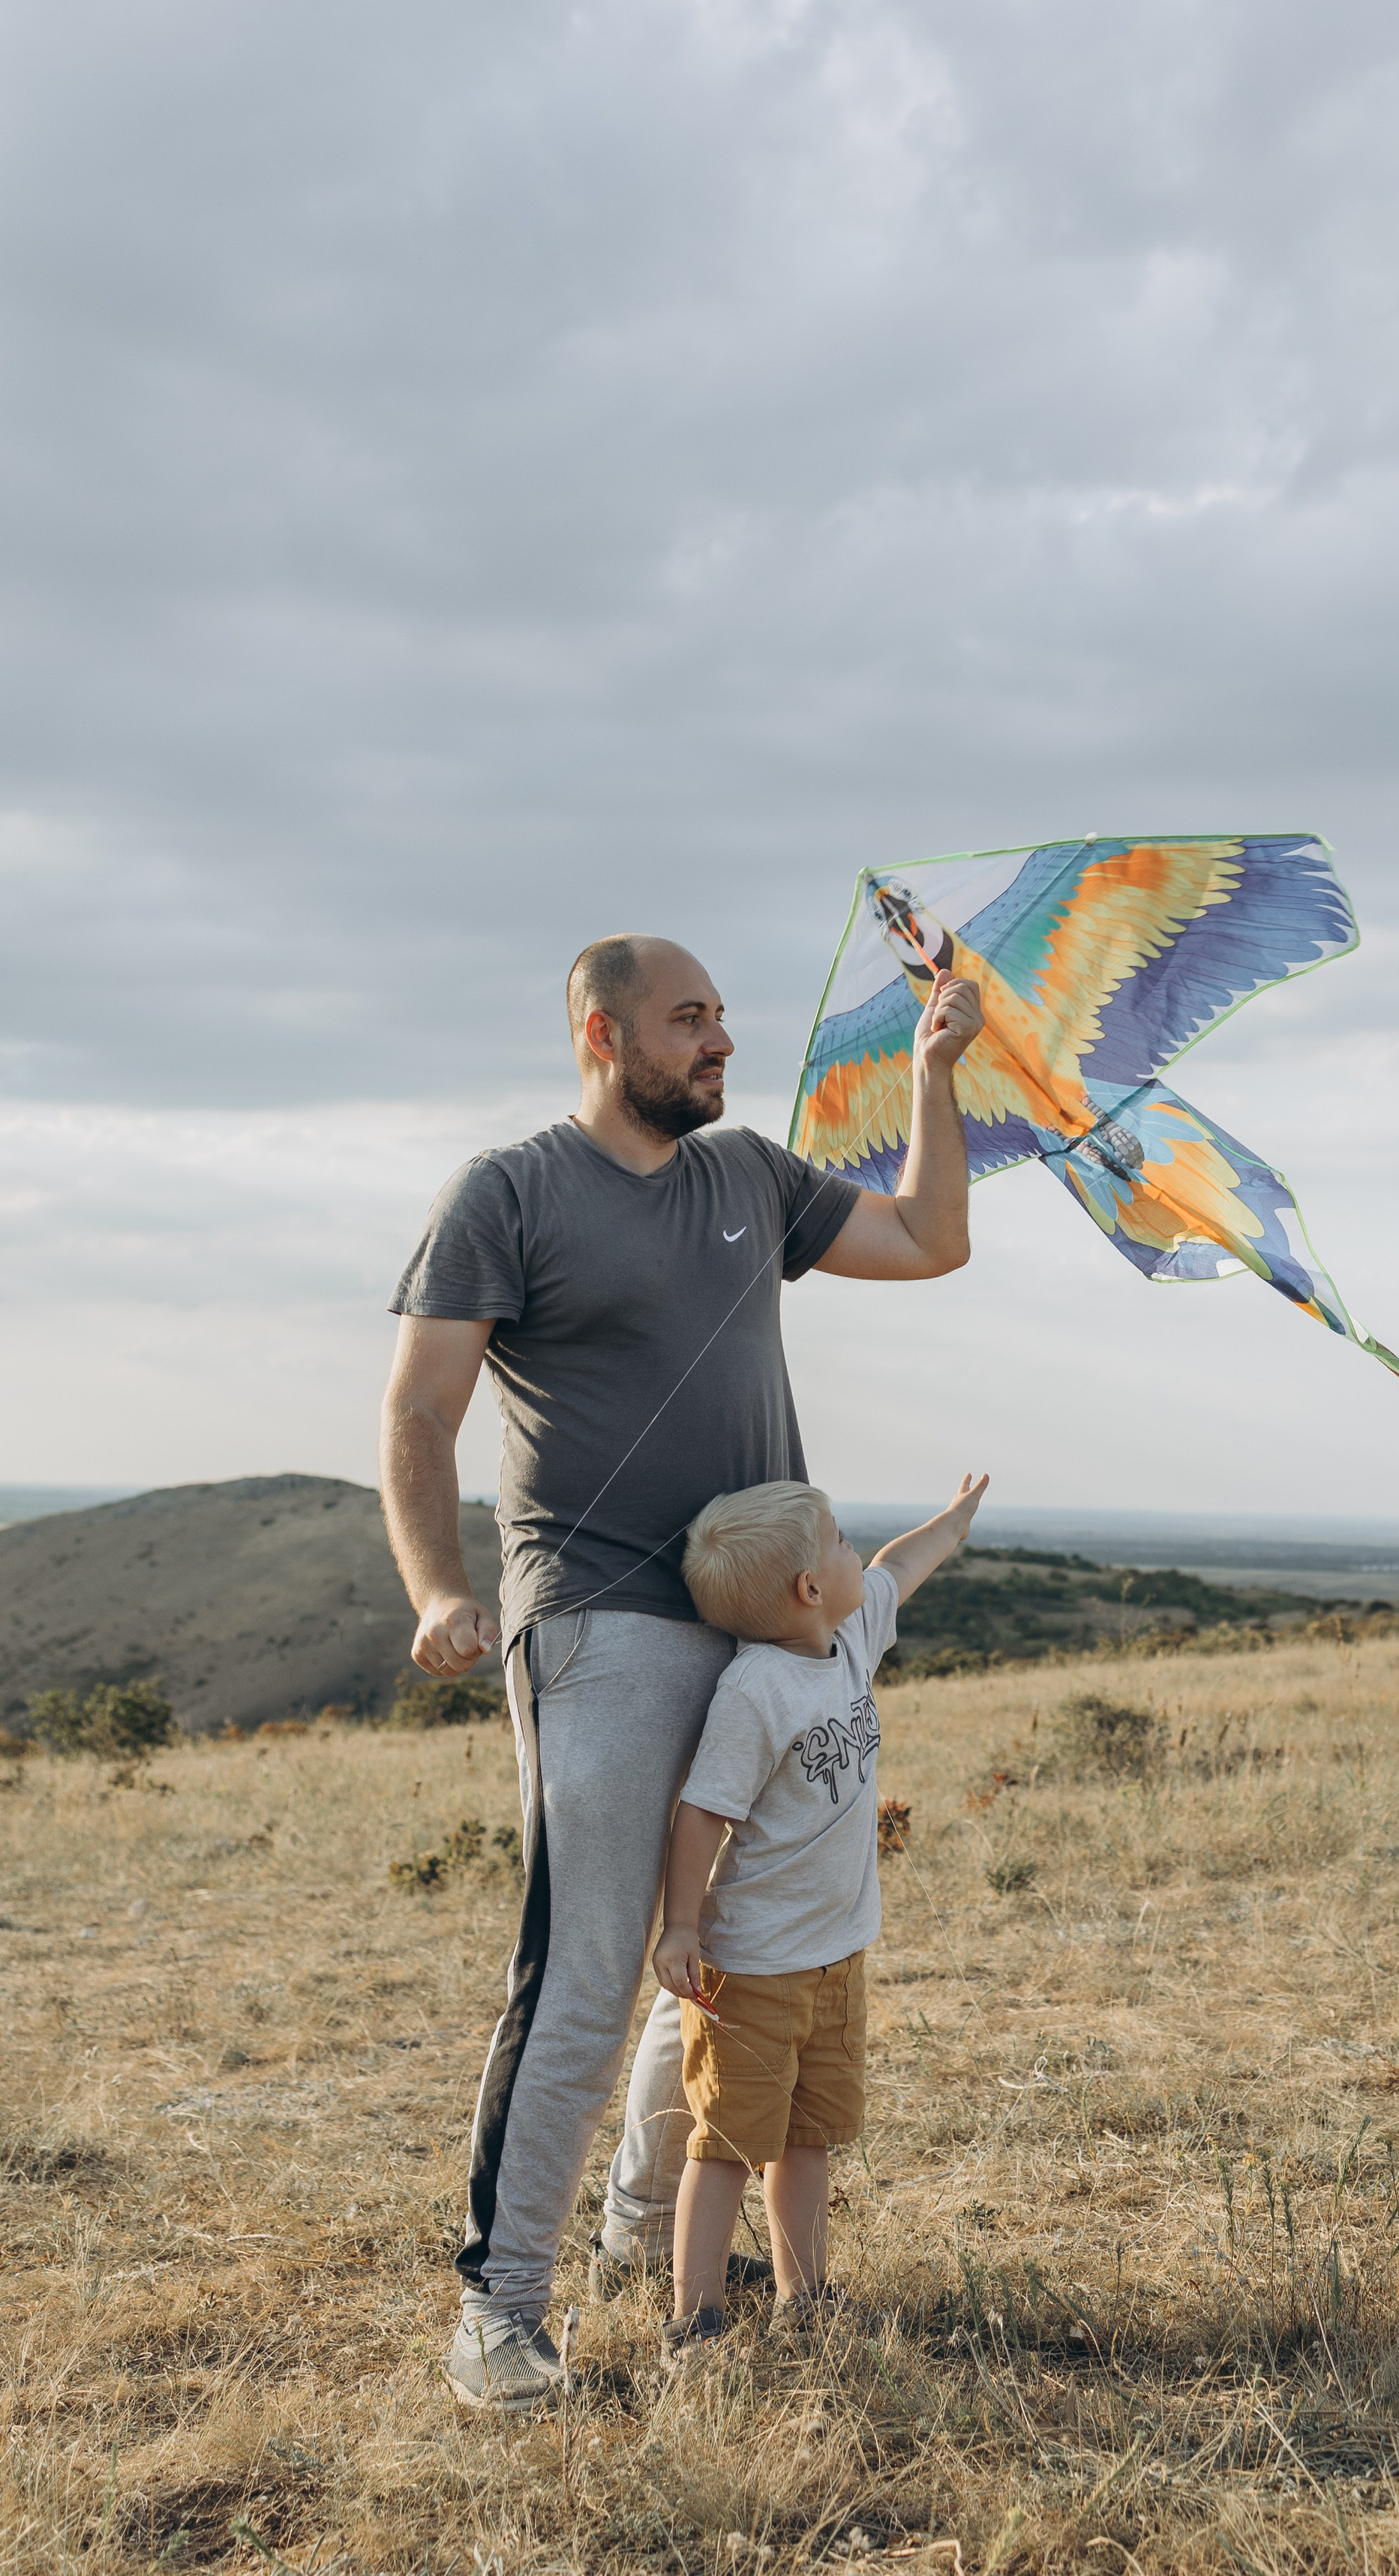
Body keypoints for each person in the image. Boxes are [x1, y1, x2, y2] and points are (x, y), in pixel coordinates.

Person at [378, 931, 982, 2412]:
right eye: (687, 1020)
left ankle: (654, 2243)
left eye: (721, 1018)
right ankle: (499, 2322)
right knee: (587, 1967)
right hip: (599, 1621)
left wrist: (932, 1074)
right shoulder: (506, 1193)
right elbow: (420, 1408)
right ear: (604, 1035)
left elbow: (928, 1240)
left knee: (727, 1962)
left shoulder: (752, 1178)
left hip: (762, 1627)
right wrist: (439, 1587)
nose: (719, 1042)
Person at [653, 1471, 986, 2353]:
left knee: (809, 2139)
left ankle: (807, 2299)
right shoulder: (755, 1691)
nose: (852, 1553)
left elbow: (894, 1566)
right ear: (807, 1589)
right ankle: (695, 2321)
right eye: (834, 1542)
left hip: (838, 1955)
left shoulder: (846, 1637)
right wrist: (680, 1926)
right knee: (725, 2143)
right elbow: (702, 1812)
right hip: (756, 1965)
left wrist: (952, 1523)